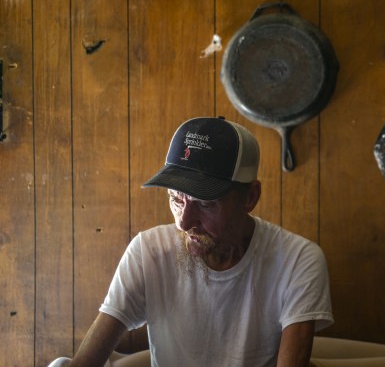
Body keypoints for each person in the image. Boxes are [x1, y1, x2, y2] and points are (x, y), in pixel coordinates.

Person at [49, 117, 333, 367]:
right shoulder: (148, 252)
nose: (184, 223)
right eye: (176, 199)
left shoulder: (297, 260)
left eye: (206, 204)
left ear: (250, 197)